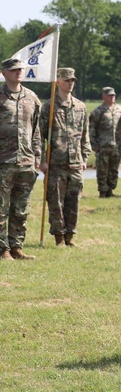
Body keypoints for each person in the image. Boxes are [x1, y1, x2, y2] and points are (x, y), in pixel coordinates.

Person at [39, 67, 90, 247]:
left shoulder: (81, 107)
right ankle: (59, 237)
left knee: (73, 201)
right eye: (67, 80)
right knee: (55, 201)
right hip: (56, 163)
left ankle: (70, 236)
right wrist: (42, 160)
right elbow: (40, 136)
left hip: (75, 162)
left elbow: (85, 135)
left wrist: (84, 157)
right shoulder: (49, 106)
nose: (70, 83)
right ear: (57, 82)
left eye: (72, 80)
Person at [0, 58, 41, 260]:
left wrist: (37, 156)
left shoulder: (31, 98)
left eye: (20, 69)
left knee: (21, 207)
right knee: (1, 207)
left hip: (26, 161)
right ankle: (3, 249)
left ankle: (17, 246)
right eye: (14, 69)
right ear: (4, 72)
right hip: (3, 161)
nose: (18, 72)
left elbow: (36, 131)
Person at [89, 87, 121, 198]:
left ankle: (111, 190)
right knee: (102, 170)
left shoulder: (120, 109)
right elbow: (92, 129)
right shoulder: (98, 111)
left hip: (116, 146)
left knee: (114, 170)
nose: (112, 97)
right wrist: (94, 145)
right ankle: (103, 192)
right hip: (103, 146)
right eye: (109, 95)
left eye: (113, 95)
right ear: (103, 96)